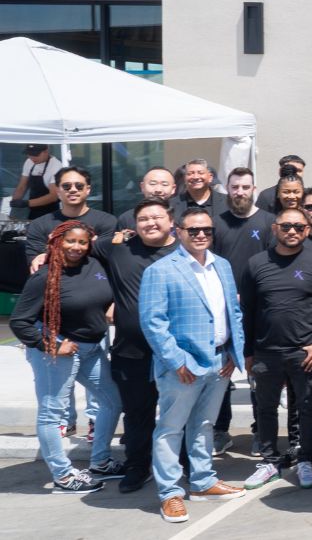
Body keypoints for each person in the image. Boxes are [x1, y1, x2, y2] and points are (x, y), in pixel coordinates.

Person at [139, 204, 249, 523]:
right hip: (182, 366)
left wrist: (232, 352)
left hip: (219, 360)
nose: (201, 234)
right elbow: (153, 322)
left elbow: (233, 313)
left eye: (207, 230)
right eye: (193, 230)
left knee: (204, 425)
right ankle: (170, 493)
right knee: (170, 428)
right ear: (178, 232)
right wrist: (176, 361)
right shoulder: (160, 271)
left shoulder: (223, 266)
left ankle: (202, 481)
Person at [11, 220, 121, 493]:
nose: (76, 247)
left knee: (112, 401)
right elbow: (19, 321)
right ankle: (63, 476)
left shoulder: (93, 263)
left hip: (92, 348)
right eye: (70, 241)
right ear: (57, 242)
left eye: (82, 242)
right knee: (52, 414)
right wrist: (50, 345)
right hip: (58, 352)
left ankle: (100, 462)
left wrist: (112, 304)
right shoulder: (45, 276)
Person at [238, 206, 312, 491]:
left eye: (299, 227)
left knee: (306, 406)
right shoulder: (256, 264)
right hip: (266, 351)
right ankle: (269, 461)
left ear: (307, 230)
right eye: (287, 226)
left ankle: (305, 459)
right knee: (265, 408)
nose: (293, 231)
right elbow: (249, 310)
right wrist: (248, 352)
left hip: (305, 352)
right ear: (275, 228)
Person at [97, 199, 180, 493]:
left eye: (157, 217)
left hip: (175, 352)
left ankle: (181, 465)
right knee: (137, 414)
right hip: (131, 351)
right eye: (143, 219)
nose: (150, 223)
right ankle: (137, 466)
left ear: (171, 221)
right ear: (133, 225)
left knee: (178, 414)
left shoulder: (184, 253)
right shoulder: (119, 250)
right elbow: (83, 244)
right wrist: (45, 255)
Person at [23, 166, 118, 260]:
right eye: (66, 186)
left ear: (88, 189)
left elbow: (107, 256)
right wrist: (91, 245)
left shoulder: (108, 222)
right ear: (58, 191)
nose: (73, 189)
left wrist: (54, 247)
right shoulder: (39, 225)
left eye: (79, 186)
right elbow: (36, 263)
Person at [10, 143, 62, 220]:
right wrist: (14, 204)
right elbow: (22, 186)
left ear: (46, 151)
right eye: (29, 154)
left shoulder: (55, 166)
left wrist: (27, 203)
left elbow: (53, 196)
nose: (32, 157)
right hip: (32, 210)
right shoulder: (29, 162)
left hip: (50, 212)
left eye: (36, 154)